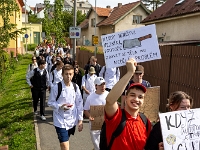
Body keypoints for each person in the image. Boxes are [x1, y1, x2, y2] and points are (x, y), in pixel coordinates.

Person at [104, 58, 151, 150]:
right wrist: (130, 73)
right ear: (125, 98)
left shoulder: (146, 122)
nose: (136, 99)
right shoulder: (117, 117)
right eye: (132, 95)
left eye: (140, 97)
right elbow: (109, 101)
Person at [48, 64, 83, 150]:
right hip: (60, 120)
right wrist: (60, 106)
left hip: (72, 120)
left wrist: (80, 120)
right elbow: (50, 102)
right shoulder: (57, 87)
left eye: (70, 74)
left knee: (65, 142)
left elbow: (79, 103)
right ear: (62, 75)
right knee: (65, 145)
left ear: (73, 74)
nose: (68, 76)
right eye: (66, 74)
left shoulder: (75, 87)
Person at [84, 77, 109, 150]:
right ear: (95, 86)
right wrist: (89, 116)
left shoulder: (109, 95)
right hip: (95, 124)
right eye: (100, 85)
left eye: (104, 84)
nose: (102, 86)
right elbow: (85, 110)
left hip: (106, 123)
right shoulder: (90, 97)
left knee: (106, 143)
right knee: (97, 145)